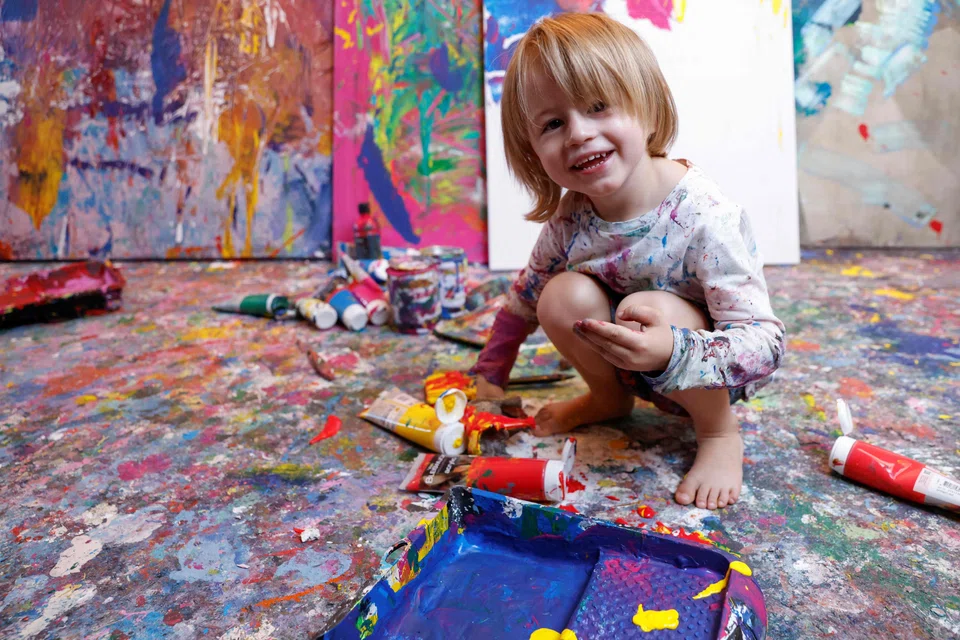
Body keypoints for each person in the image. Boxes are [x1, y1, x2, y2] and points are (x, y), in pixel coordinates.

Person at [471, 13, 785, 510]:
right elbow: (525, 299)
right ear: (532, 152)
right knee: (560, 294)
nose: (577, 134)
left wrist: (672, 349)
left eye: (598, 107)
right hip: (624, 364)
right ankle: (607, 398)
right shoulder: (570, 218)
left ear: (647, 107)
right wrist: (490, 374)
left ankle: (719, 435)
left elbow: (765, 345)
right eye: (553, 124)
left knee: (646, 305)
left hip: (702, 372)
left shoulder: (704, 214)